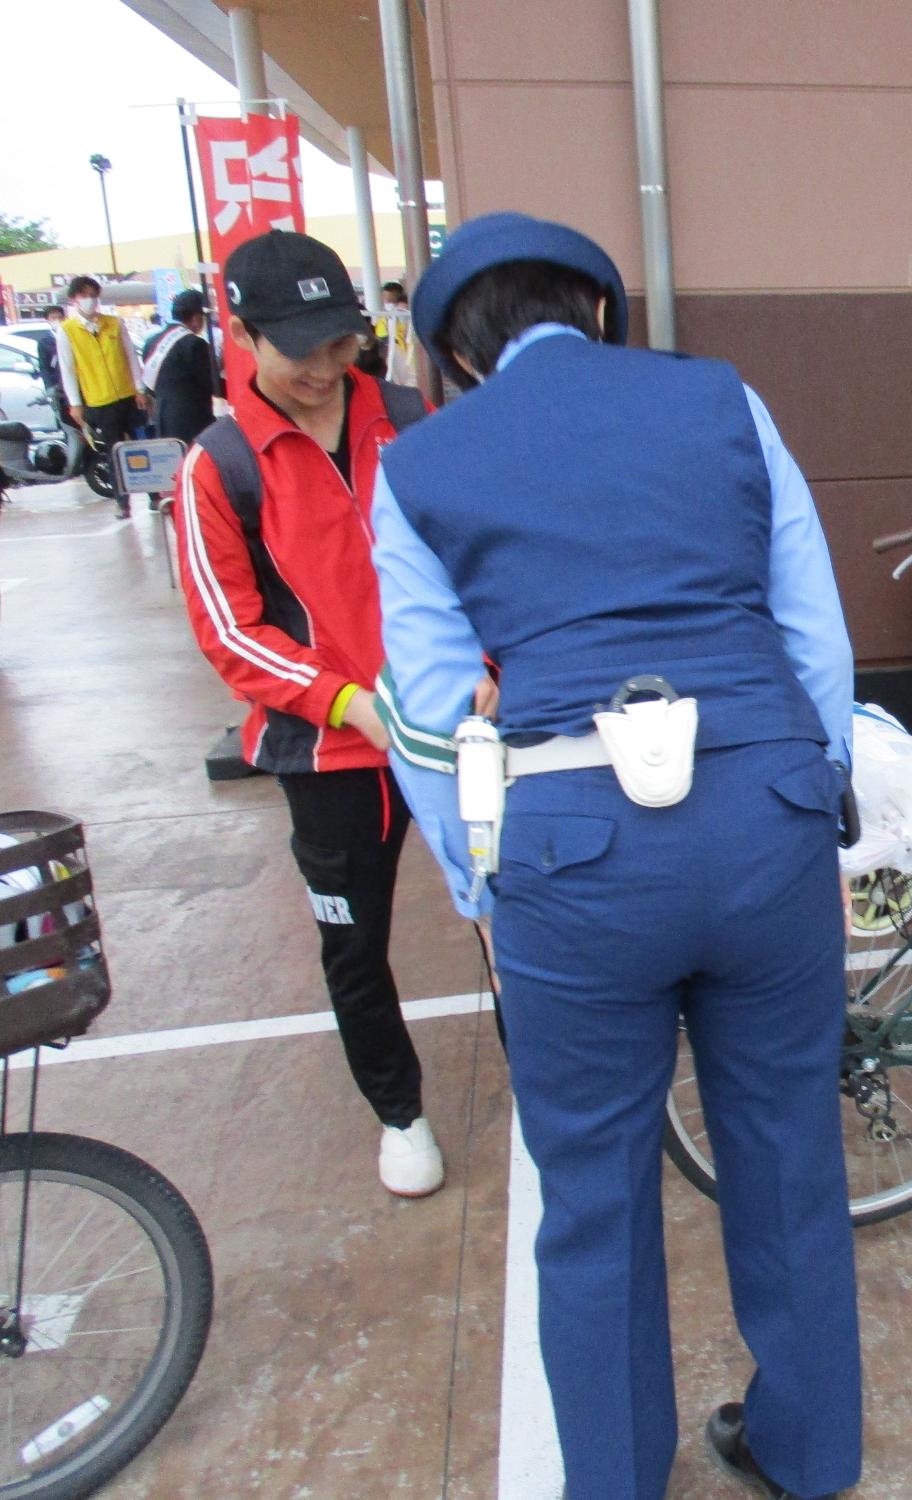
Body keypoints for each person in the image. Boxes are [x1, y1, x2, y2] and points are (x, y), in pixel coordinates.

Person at [372, 212, 861, 1500]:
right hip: (763, 814)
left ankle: (615, 1476)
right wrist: (818, 794)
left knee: (589, 1193)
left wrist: (481, 875)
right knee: (788, 1152)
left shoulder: (421, 464)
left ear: (454, 354)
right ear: (597, 310)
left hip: (572, 848)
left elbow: (425, 716)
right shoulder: (721, 400)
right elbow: (811, 632)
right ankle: (809, 1456)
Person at [174, 229, 447, 1198]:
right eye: (303, 351)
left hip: (454, 732)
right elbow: (228, 629)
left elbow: (483, 559)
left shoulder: (413, 422)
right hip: (327, 752)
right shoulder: (218, 467)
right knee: (354, 944)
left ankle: (555, 1101)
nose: (330, 369)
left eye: (344, 342)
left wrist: (485, 669)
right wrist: (344, 701)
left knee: (518, 926)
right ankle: (400, 1115)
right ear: (242, 335)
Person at [54, 276, 148, 517]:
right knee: (114, 452)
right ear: (74, 299)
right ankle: (122, 502)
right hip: (99, 401)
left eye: (92, 294)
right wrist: (75, 403)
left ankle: (154, 494)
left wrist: (139, 388)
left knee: (142, 446)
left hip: (127, 395)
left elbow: (130, 357)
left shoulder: (114, 323)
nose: (89, 300)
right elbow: (68, 369)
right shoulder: (67, 331)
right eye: (83, 295)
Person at [142, 290, 220, 447]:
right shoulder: (194, 344)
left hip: (163, 417)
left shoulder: (151, 342)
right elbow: (211, 384)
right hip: (193, 420)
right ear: (197, 318)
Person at [374, 279, 417, 385]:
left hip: (409, 361)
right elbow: (381, 339)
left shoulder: (404, 313)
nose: (386, 301)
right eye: (384, 297)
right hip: (391, 359)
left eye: (389, 298)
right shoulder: (384, 319)